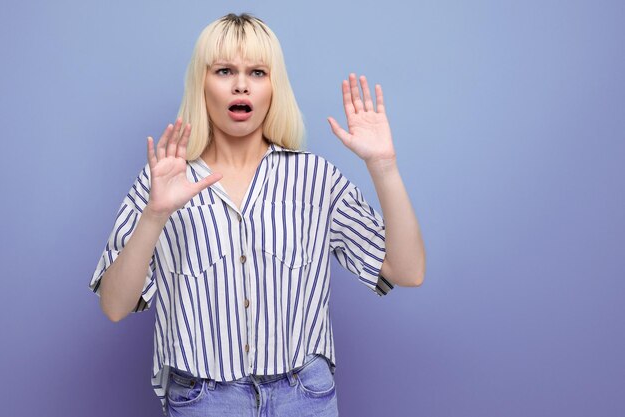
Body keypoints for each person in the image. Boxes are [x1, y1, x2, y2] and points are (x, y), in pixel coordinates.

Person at [89, 12, 425, 417]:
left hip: (305, 397)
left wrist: (384, 166)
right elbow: (114, 306)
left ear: (273, 87)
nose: (241, 84)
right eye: (225, 70)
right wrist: (154, 215)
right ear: (202, 82)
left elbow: (407, 271)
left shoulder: (314, 177)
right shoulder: (163, 180)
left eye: (258, 72)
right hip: (204, 401)